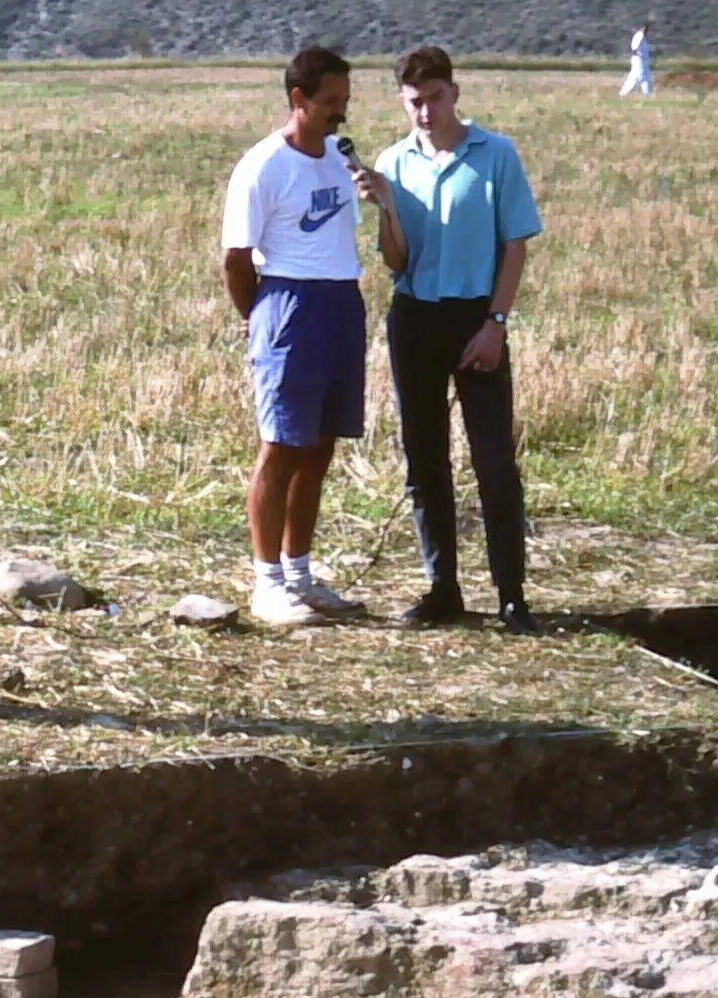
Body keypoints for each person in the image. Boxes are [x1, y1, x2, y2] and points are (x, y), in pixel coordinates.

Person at [361, 46, 543, 635]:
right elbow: (396, 260)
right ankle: (443, 587)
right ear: (401, 101)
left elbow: (515, 244)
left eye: (435, 99)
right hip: (415, 317)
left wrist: (496, 323)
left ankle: (511, 593)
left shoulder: (496, 155)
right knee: (425, 459)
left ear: (454, 94)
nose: (425, 112)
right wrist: (386, 206)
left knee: (493, 459)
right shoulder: (393, 163)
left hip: (475, 316)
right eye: (414, 102)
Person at [222, 46, 372, 626]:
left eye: (345, 102)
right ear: (298, 100)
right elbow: (236, 258)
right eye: (330, 103)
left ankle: (302, 574)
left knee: (320, 446)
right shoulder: (262, 167)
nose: (341, 114)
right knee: (281, 446)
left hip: (341, 301)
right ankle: (267, 583)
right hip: (289, 301)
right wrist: (256, 316)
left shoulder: (339, 157)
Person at [621, 22, 654, 98]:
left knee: (645, 77)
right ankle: (623, 93)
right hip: (639, 60)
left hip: (643, 61)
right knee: (637, 77)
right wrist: (637, 55)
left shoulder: (643, 37)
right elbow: (634, 48)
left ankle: (648, 94)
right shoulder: (640, 35)